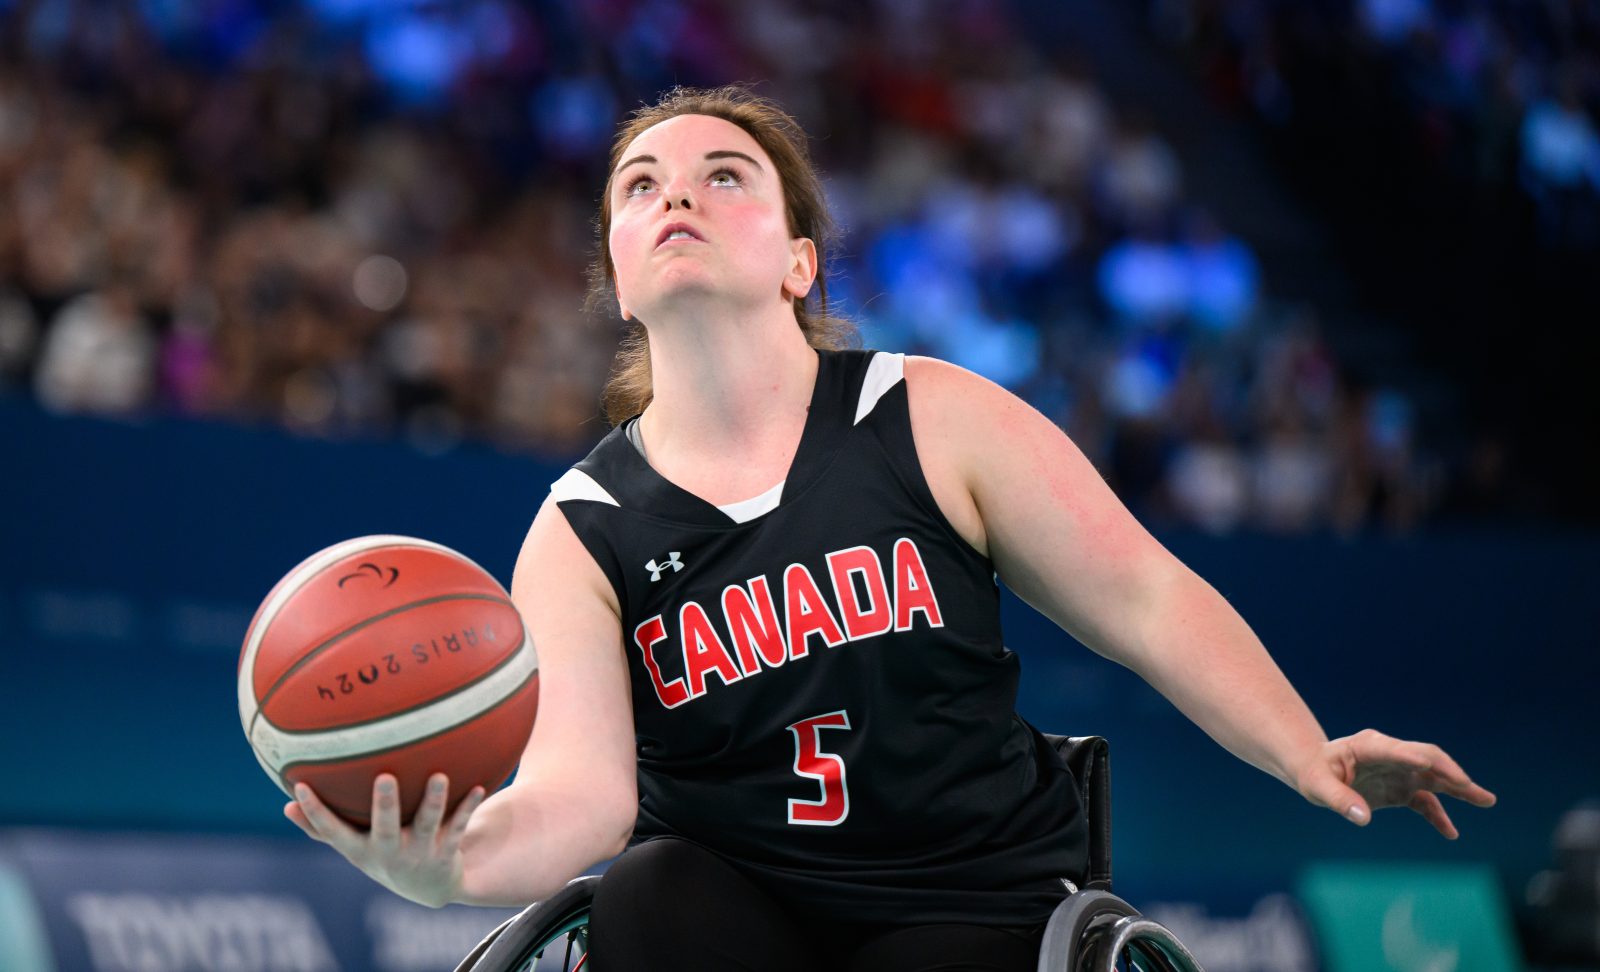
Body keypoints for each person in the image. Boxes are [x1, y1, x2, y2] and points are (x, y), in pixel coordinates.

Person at [283, 86, 1497, 971]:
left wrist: (1305, 750)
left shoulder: (924, 413)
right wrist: (456, 865)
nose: (675, 197)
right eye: (640, 187)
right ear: (616, 263)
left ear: (799, 262)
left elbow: (1143, 598)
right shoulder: (582, 526)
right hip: (735, 901)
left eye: (723, 177)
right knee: (647, 897)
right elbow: (583, 796)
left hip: (967, 895)